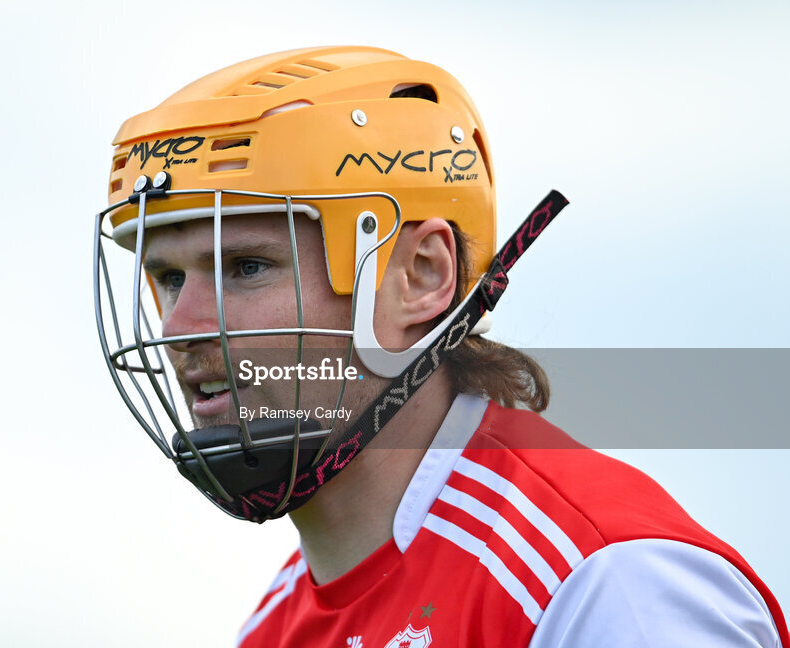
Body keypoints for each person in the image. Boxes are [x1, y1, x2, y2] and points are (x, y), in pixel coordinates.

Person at [93, 46, 787, 647]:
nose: (178, 326)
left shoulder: (605, 584)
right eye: (166, 276)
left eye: (245, 266)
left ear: (419, 276)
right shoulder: (270, 628)